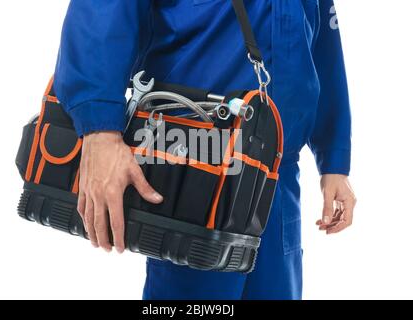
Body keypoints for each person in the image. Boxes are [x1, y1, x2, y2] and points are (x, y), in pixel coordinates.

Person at [53, 0, 357, 300]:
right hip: (194, 166)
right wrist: (100, 132)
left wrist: (334, 159)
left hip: (278, 177)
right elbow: (100, 12)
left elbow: (323, 45)